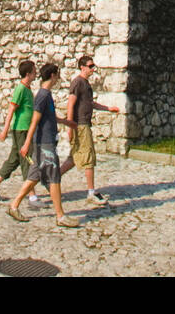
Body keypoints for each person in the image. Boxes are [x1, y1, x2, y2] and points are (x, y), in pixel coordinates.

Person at [7, 63, 79, 228]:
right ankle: (60, 216)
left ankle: (13, 206)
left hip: (45, 141)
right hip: (44, 143)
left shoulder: (46, 94)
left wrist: (66, 122)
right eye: (57, 75)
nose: (58, 78)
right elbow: (35, 120)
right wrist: (26, 143)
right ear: (52, 75)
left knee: (34, 177)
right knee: (54, 177)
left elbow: (49, 116)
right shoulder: (43, 95)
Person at [58, 55, 120, 205]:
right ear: (82, 67)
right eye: (91, 66)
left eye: (93, 66)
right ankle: (91, 192)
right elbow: (70, 105)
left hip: (83, 124)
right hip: (80, 125)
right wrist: (70, 126)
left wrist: (108, 108)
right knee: (88, 158)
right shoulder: (77, 82)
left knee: (74, 158)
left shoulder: (86, 84)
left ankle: (52, 179)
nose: (93, 69)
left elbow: (90, 103)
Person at [0, 59, 39, 201]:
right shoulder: (21, 89)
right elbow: (11, 108)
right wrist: (5, 130)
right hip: (20, 129)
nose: (36, 73)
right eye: (34, 71)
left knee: (14, 159)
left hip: (25, 129)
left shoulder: (27, 89)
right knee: (27, 158)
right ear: (28, 74)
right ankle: (31, 195)